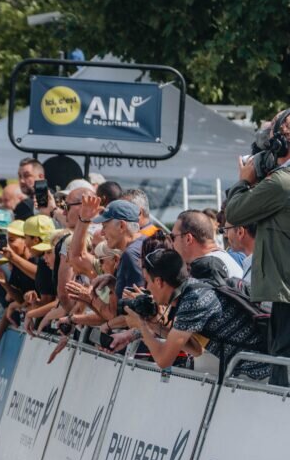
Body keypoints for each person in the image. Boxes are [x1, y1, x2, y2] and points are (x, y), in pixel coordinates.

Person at [122, 248, 269, 380]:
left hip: (261, 372)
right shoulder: (192, 289)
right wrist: (152, 325)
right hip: (255, 370)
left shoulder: (193, 300)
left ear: (159, 282)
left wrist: (141, 326)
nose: (146, 288)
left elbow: (163, 360)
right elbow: (195, 349)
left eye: (147, 282)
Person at [226, 109, 290, 385]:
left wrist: (244, 180)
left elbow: (235, 212)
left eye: (272, 138)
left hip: (286, 296)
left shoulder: (282, 183)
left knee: (282, 366)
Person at [171, 210, 243, 280]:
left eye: (173, 237)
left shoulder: (207, 268)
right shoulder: (219, 260)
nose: (172, 243)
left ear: (188, 239)